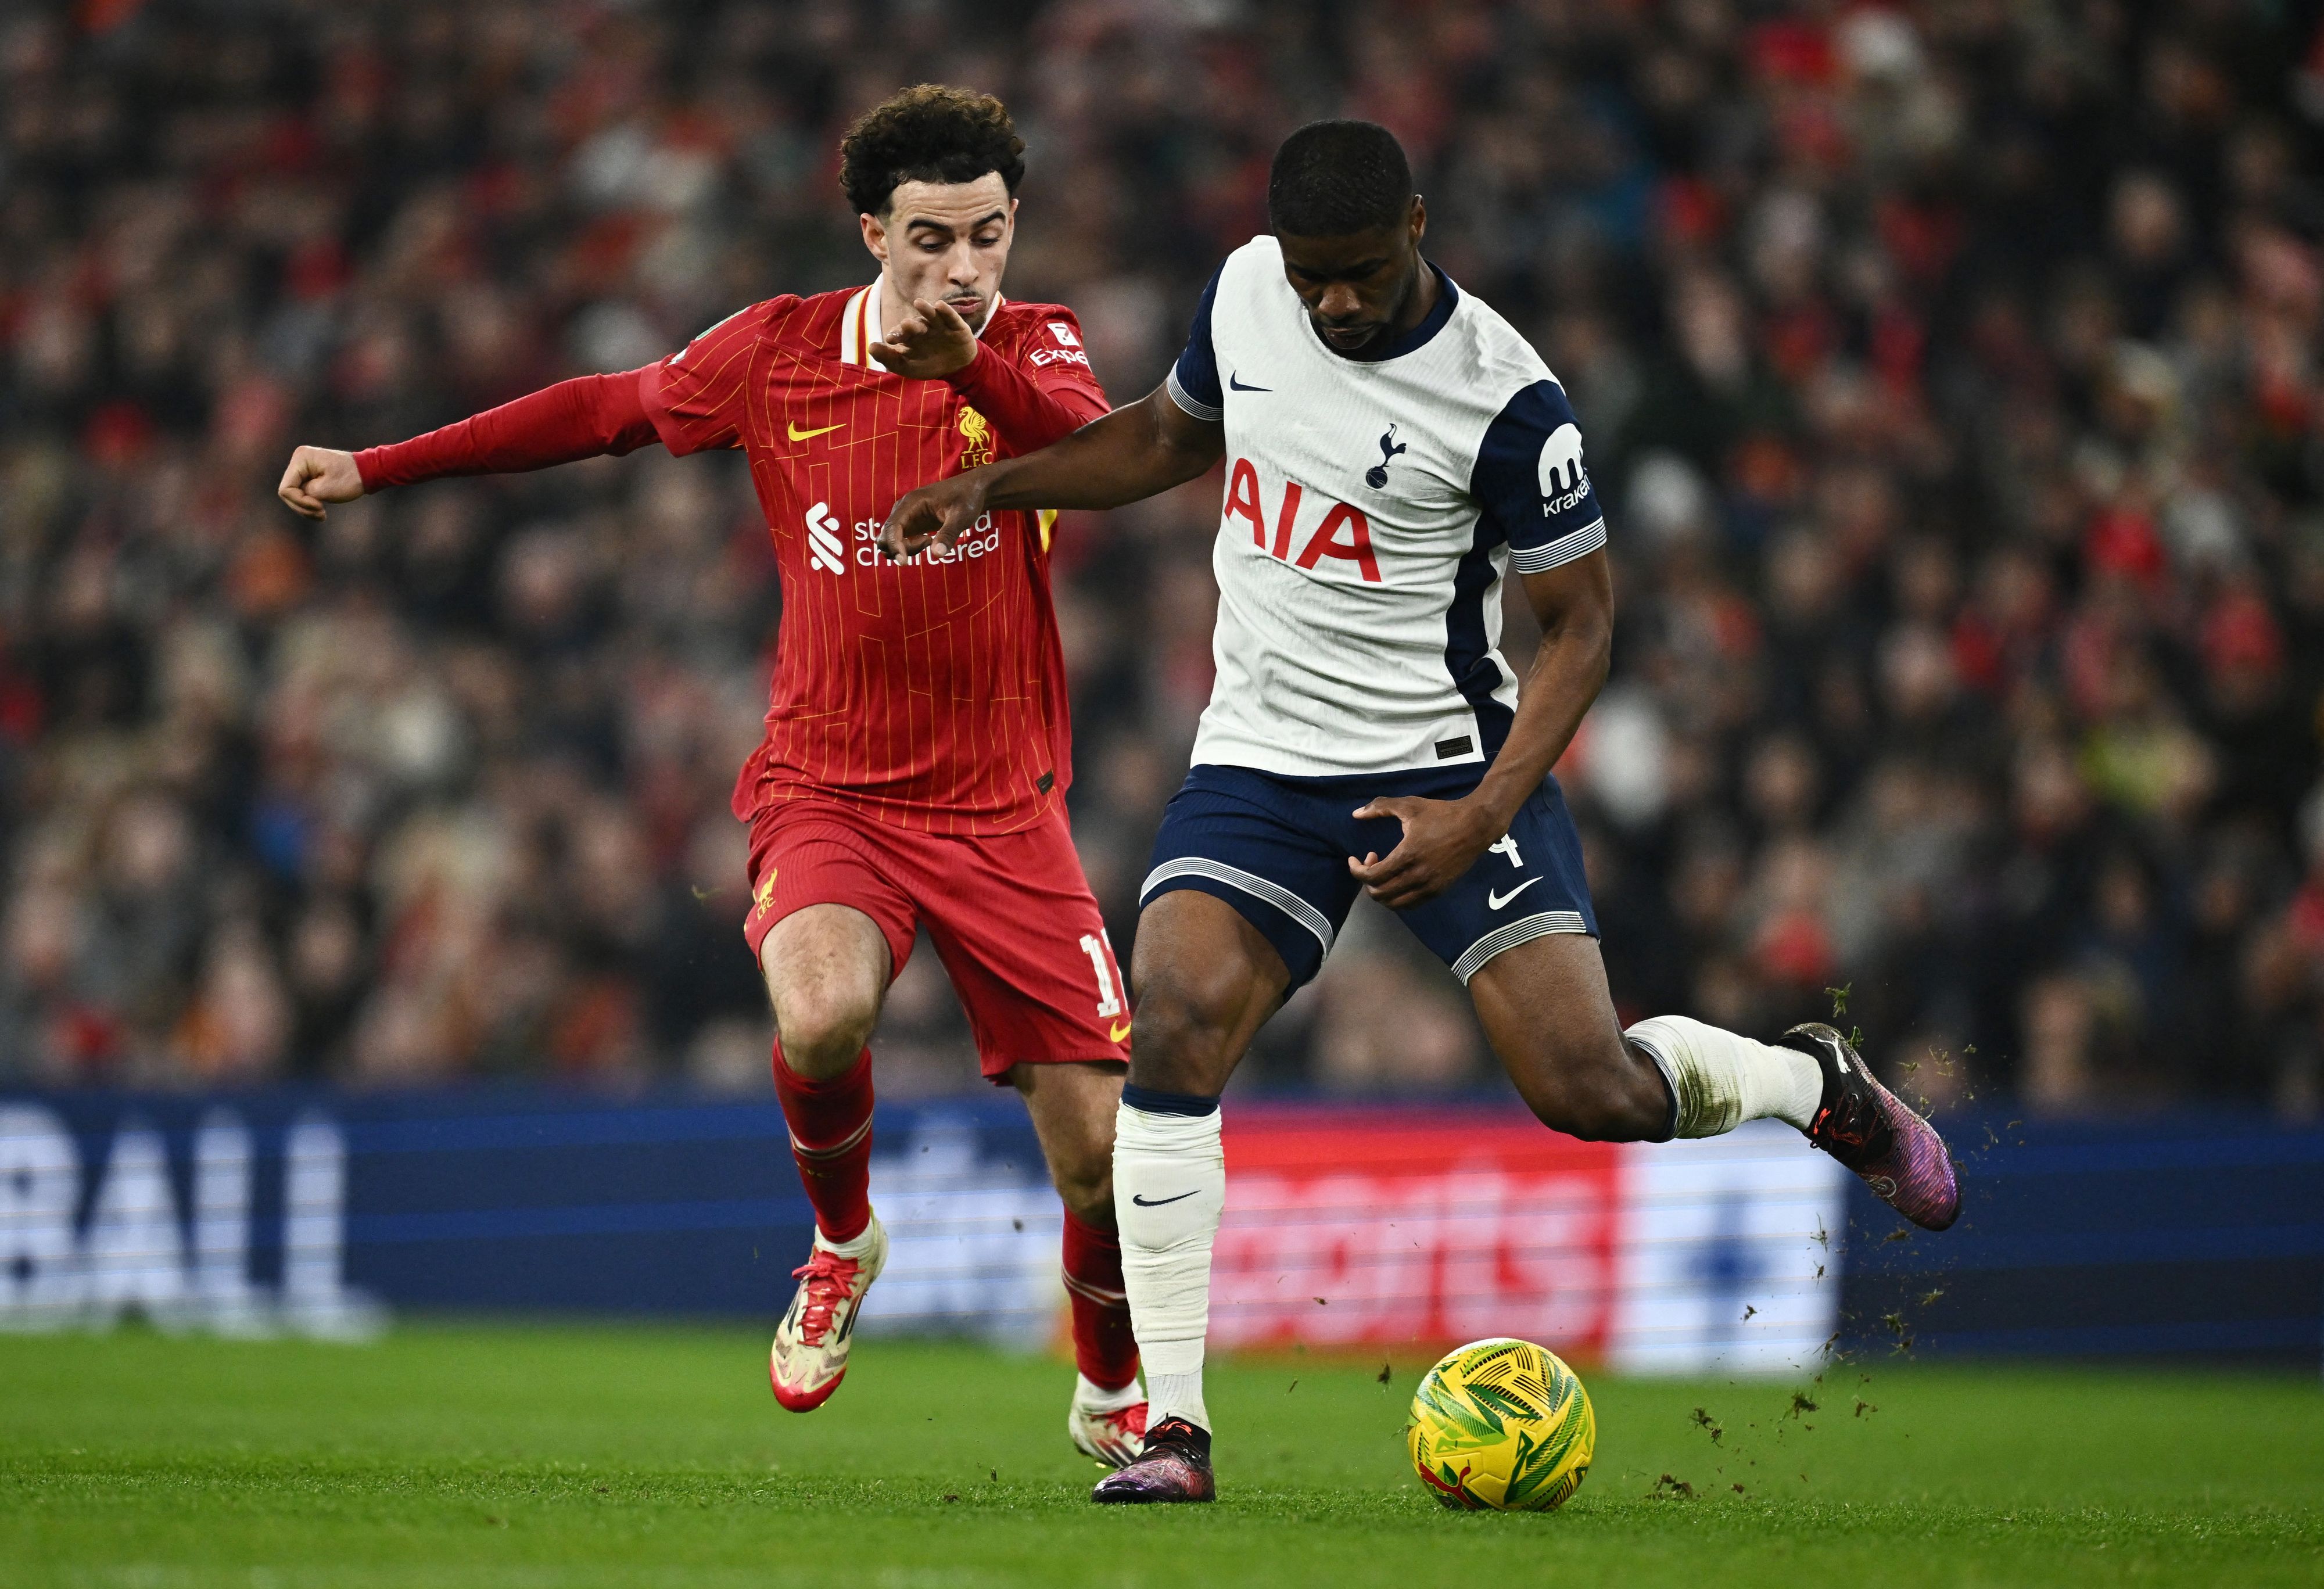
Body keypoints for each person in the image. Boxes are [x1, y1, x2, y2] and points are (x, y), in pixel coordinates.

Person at [879, 119, 1959, 1505]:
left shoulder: (1507, 397)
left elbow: (1578, 634)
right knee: (1176, 1012)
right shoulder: (1243, 289)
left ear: (1417, 227)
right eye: (1310, 275)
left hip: (1447, 762)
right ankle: (1175, 1431)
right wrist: (996, 481)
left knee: (1586, 1088)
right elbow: (1165, 437)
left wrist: (1473, 816)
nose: (1330, 302)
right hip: (1262, 756)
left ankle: (1814, 1083)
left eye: (1357, 275)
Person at [277, 84, 1150, 1468]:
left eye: (989, 236)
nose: (966, 270)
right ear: (872, 229)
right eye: (932, 238)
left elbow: (1100, 456)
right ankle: (841, 1241)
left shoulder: (1038, 350)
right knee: (816, 1017)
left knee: (1099, 1155)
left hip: (1001, 811)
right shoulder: (778, 352)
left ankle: (1109, 1384)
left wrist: (961, 371)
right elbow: (602, 409)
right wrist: (378, 469)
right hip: (832, 788)